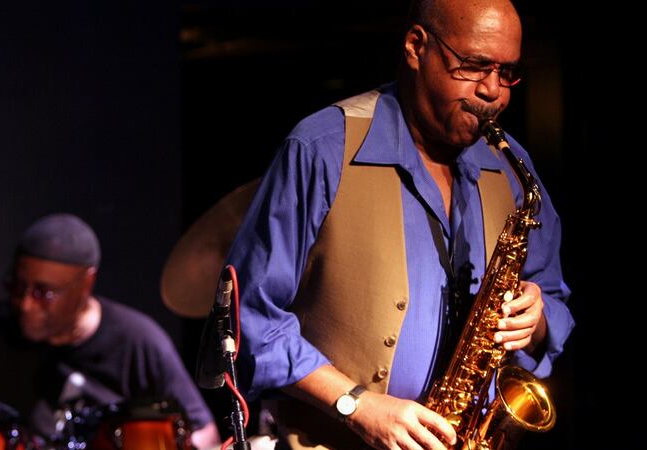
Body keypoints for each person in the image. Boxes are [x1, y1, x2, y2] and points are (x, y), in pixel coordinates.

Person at [224, 1, 574, 449]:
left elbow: (554, 298)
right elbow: (246, 319)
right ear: (415, 46)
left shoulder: (512, 168)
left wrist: (536, 320)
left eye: (507, 72)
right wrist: (355, 404)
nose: (493, 92)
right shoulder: (322, 148)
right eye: (473, 66)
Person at [0, 213, 220, 448]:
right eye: (17, 287)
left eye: (44, 293)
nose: (26, 304)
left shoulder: (138, 341)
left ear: (86, 284)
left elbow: (204, 434)